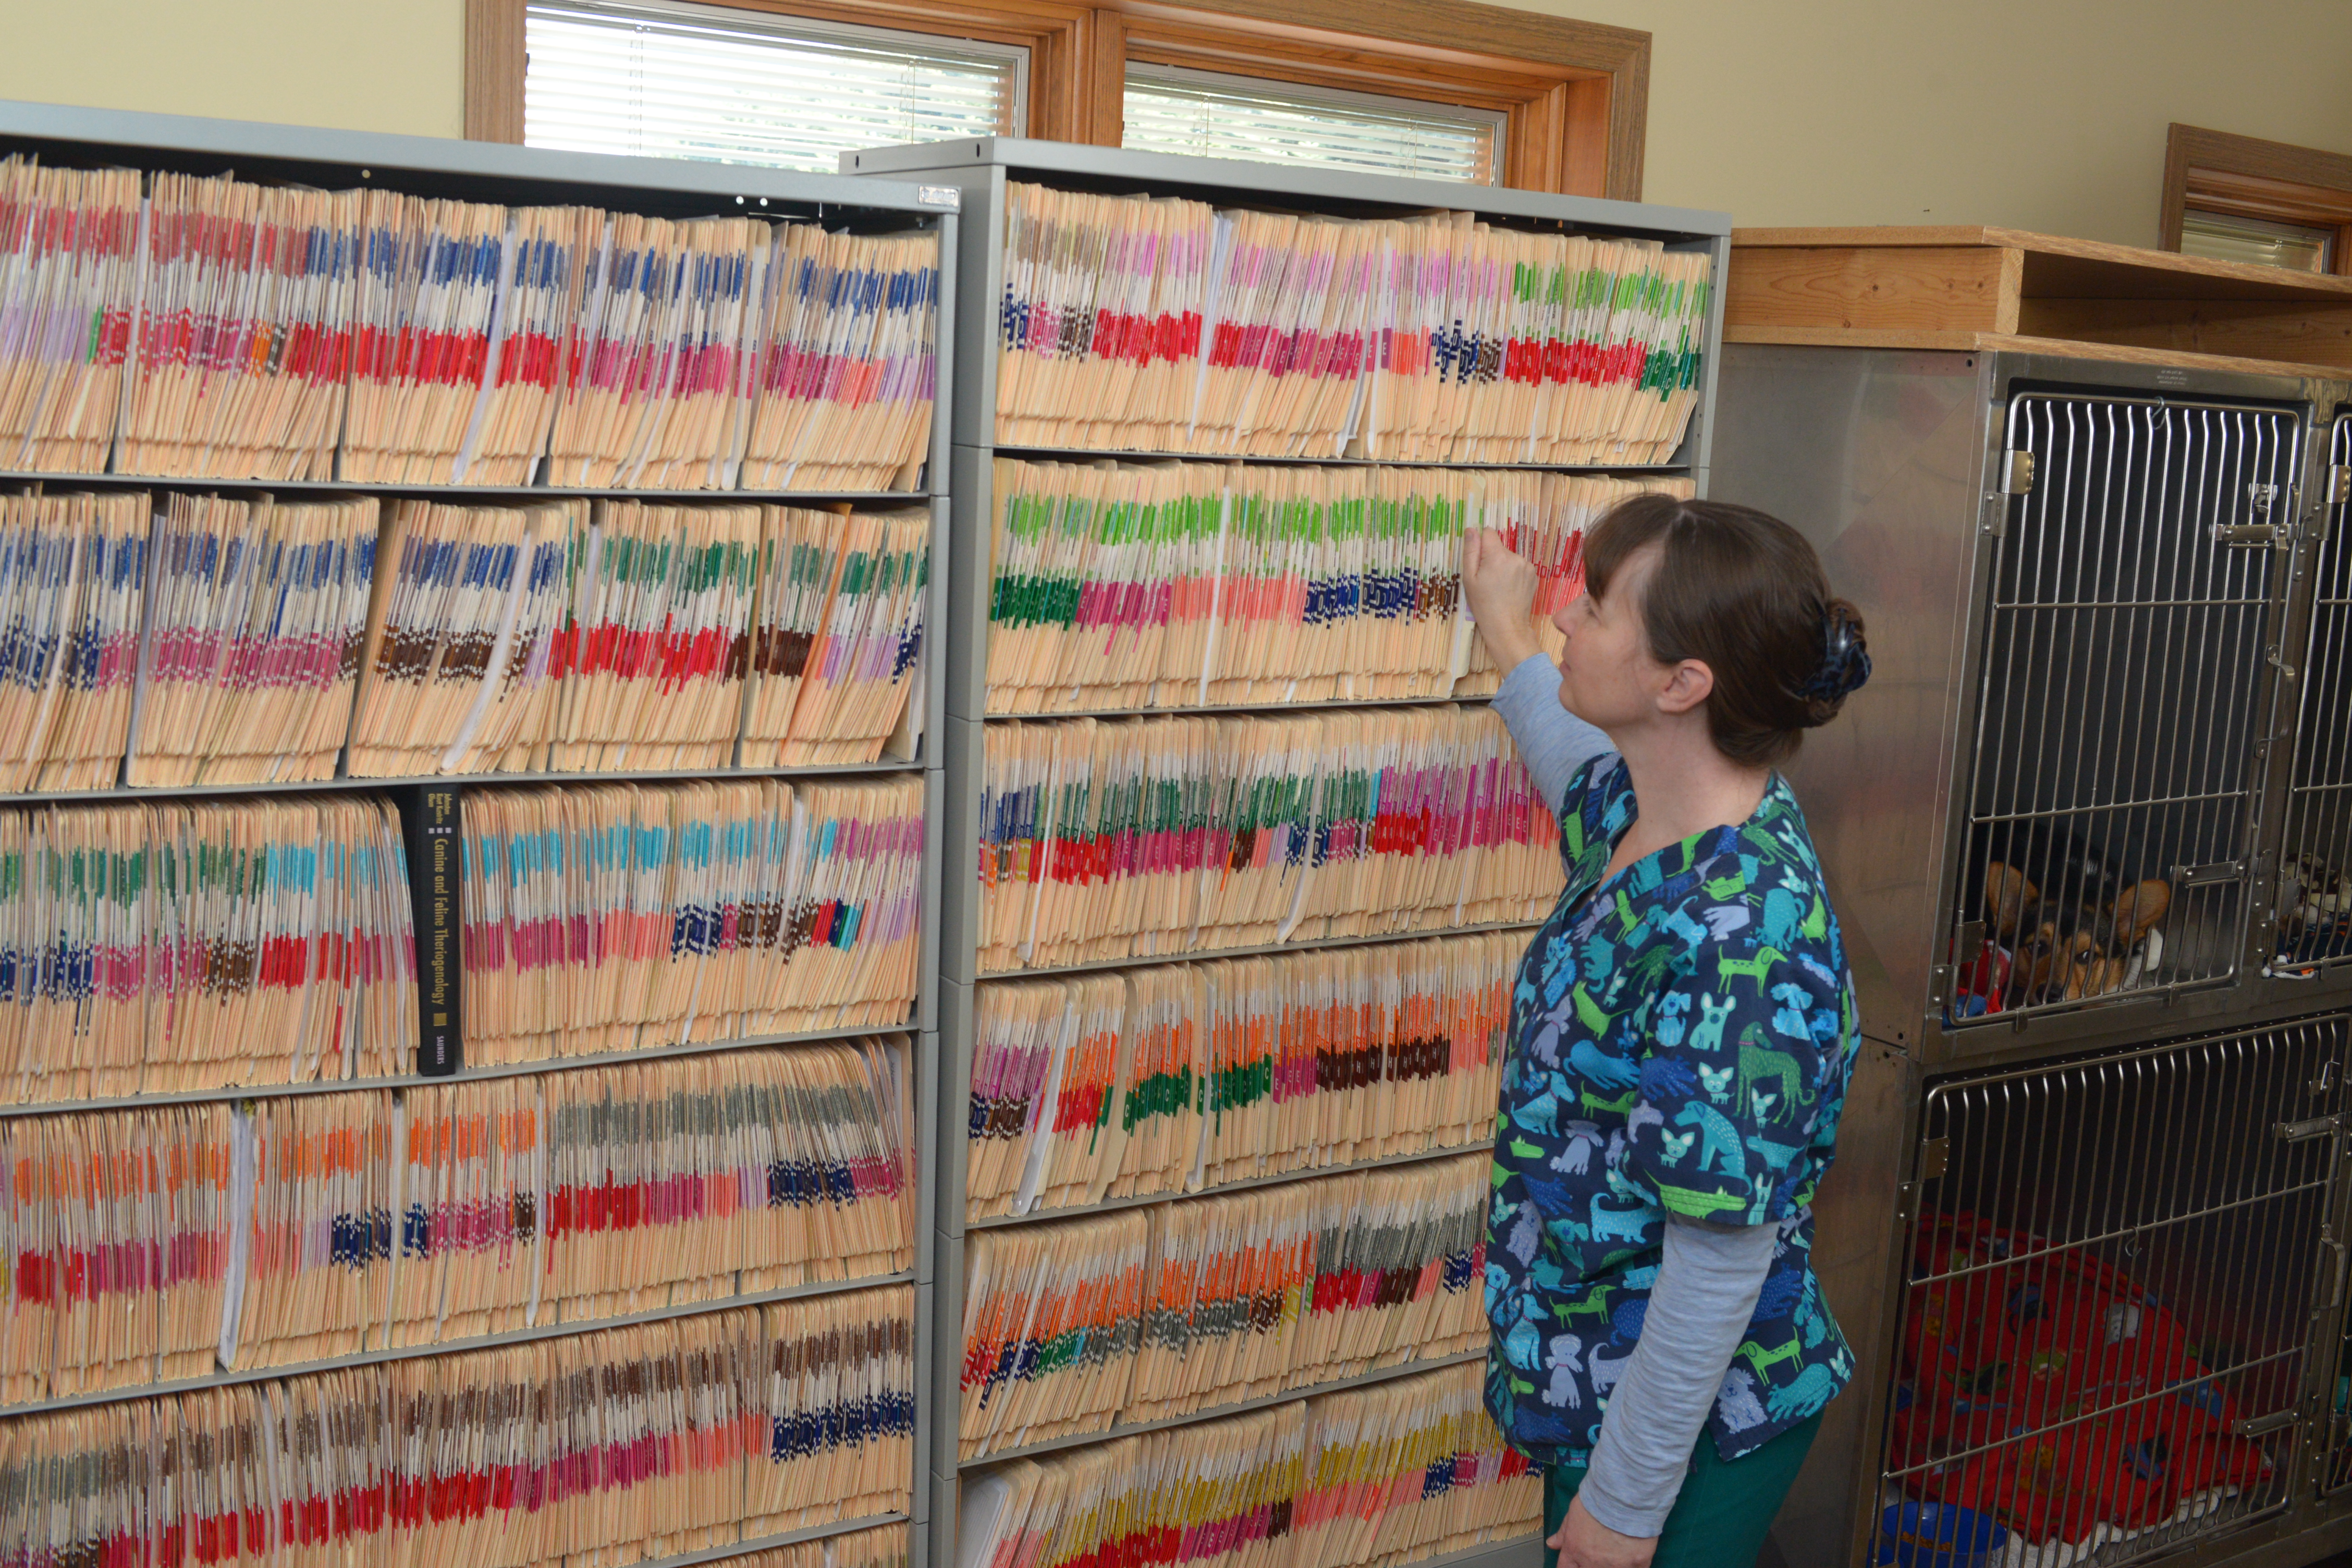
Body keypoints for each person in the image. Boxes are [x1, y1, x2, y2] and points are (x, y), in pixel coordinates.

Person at [1465, 495, 1871, 1568]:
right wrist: (1501, 625)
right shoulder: (1661, 810)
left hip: (1688, 1426)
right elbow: (1568, 759)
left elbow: (1717, 1262)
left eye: (1596, 609)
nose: (1566, 620)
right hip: (1600, 1381)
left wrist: (1627, 1505)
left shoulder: (1742, 938)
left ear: (1680, 684)